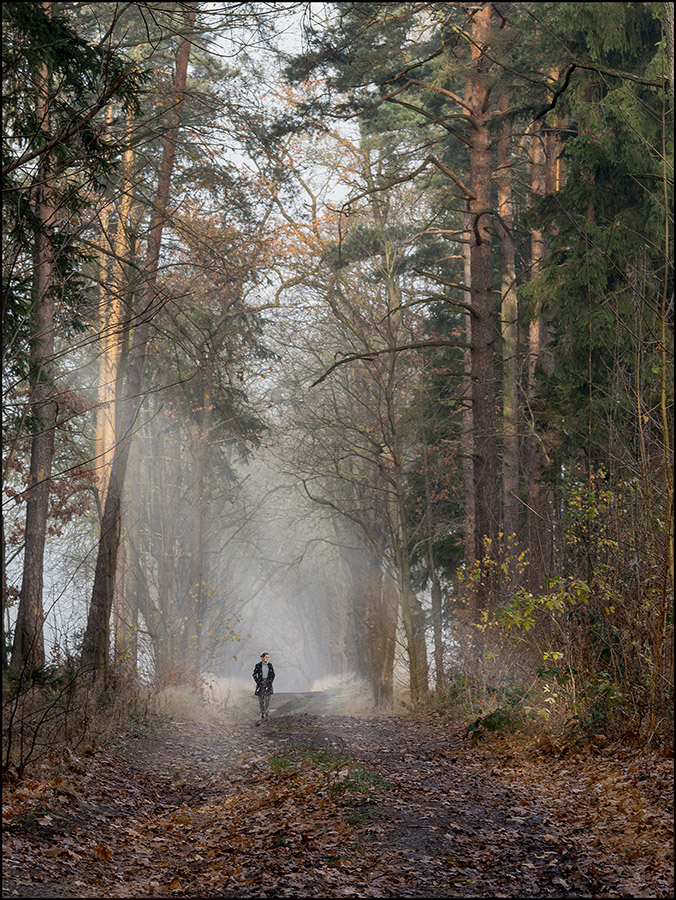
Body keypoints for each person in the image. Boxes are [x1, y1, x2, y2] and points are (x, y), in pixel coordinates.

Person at [252, 651, 275, 722]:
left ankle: (266, 710)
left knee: (268, 698)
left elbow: (273, 675)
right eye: (266, 657)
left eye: (268, 657)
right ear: (262, 657)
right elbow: (254, 674)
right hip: (261, 683)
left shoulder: (270, 665)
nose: (267, 658)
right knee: (261, 698)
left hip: (268, 683)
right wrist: (258, 681)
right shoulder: (258, 665)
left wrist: (270, 682)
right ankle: (262, 712)